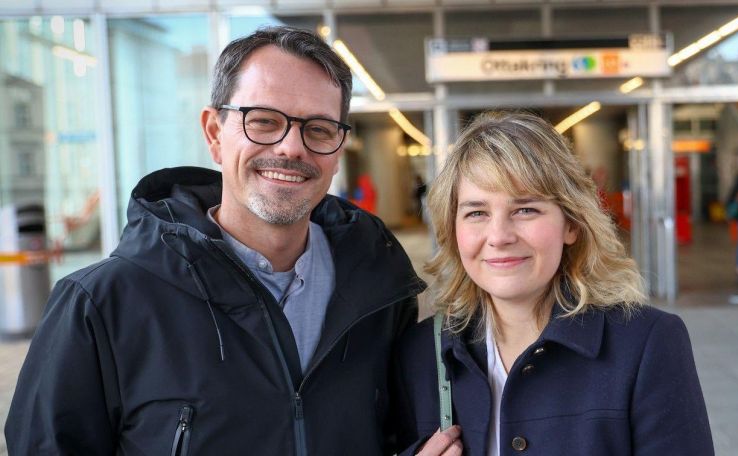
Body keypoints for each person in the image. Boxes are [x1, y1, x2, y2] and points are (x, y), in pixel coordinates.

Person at [6, 26, 424, 455]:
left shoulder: (380, 292)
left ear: (338, 150)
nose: (291, 147)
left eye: (318, 129)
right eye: (264, 121)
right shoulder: (100, 306)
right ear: (213, 134)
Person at [392, 111, 713, 456]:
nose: (498, 236)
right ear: (453, 233)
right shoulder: (420, 352)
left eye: (525, 209)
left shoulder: (647, 343)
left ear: (571, 225)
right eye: (476, 213)